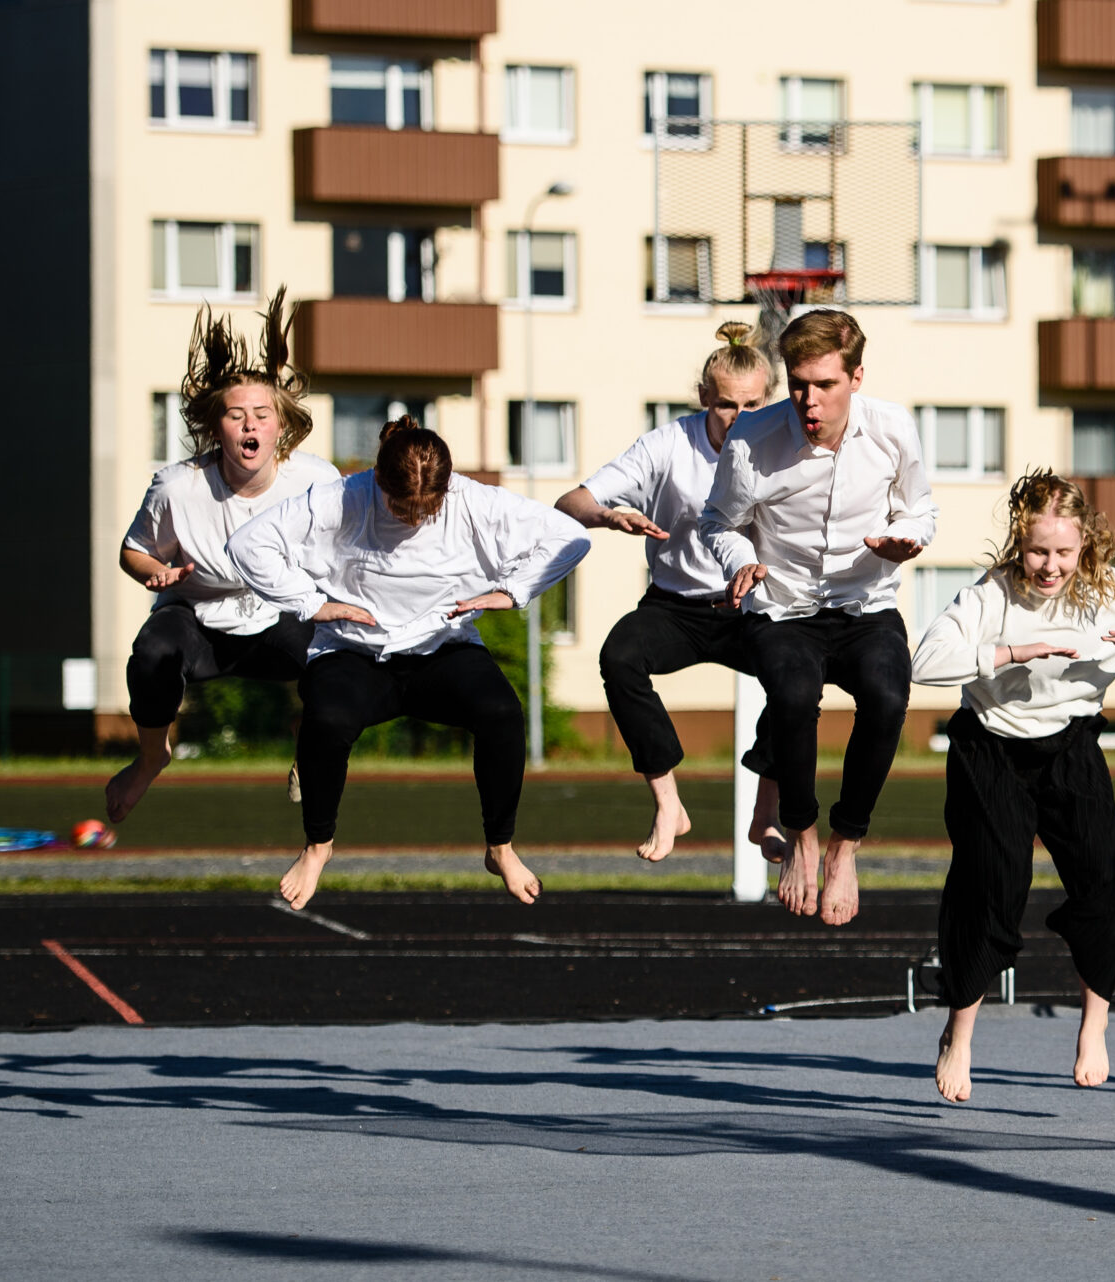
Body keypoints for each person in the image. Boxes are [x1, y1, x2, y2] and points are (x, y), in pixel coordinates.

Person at [911, 471, 1115, 1101]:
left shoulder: (1114, 592)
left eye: (1062, 552)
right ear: (1017, 544)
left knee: (1103, 883)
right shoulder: (990, 596)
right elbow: (925, 662)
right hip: (989, 746)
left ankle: (1094, 1026)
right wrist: (1012, 654)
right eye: (1036, 551)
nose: (1049, 566)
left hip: (1071, 747)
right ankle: (960, 1032)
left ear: (1086, 546)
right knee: (992, 887)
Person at [228, 417, 590, 911]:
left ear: (448, 487)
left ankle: (500, 847)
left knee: (502, 713)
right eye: (403, 507)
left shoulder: (475, 502)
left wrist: (513, 591)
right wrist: (311, 604)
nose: (416, 518)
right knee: (327, 719)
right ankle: (318, 847)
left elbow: (570, 537)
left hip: (443, 647)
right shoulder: (340, 499)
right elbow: (248, 545)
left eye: (428, 508)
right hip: (353, 650)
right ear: (378, 480)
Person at [701, 309, 938, 926]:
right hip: (783, 606)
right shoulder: (752, 439)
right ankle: (801, 839)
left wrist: (905, 541)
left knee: (888, 695)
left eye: (825, 385)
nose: (809, 401)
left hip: (865, 605)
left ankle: (844, 846)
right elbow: (716, 522)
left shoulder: (893, 430)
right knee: (794, 693)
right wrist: (743, 559)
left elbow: (920, 511)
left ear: (856, 377)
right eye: (799, 384)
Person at [106, 289, 340, 825]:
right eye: (237, 416)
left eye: (262, 415)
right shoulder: (176, 488)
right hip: (197, 618)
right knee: (150, 655)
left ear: (281, 427)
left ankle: (312, 748)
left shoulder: (317, 481)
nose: (250, 425)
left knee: (342, 653)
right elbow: (133, 551)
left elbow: (348, 549)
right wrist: (155, 572)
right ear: (217, 428)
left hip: (278, 615)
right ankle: (149, 758)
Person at [556, 323, 784, 863]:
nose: (740, 417)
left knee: (798, 672)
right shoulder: (666, 445)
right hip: (676, 606)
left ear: (769, 399)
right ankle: (668, 804)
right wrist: (610, 516)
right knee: (619, 656)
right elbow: (572, 501)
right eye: (727, 404)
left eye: (753, 405)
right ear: (705, 398)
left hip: (749, 606)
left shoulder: (786, 444)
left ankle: (765, 811)